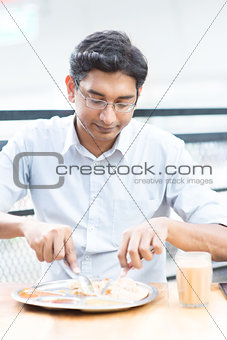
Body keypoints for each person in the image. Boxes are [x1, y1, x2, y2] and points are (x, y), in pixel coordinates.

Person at [0, 30, 227, 283]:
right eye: (96, 100)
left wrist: (167, 227)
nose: (108, 117)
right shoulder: (33, 142)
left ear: (138, 96)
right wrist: (26, 226)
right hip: (60, 305)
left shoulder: (165, 150)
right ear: (71, 89)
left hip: (142, 311)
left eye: (123, 103)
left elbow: (223, 242)